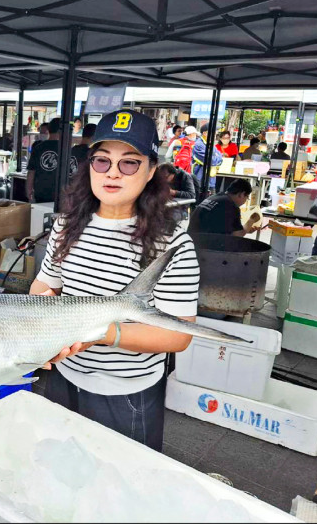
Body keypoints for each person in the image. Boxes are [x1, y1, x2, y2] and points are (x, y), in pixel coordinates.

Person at [29, 109, 197, 451]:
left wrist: (103, 333)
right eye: (102, 161)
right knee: (60, 476)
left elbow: (179, 334)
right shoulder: (67, 224)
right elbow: (45, 284)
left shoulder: (172, 241)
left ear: (152, 170)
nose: (113, 173)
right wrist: (42, 302)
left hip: (125, 392)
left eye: (129, 163)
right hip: (63, 377)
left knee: (119, 491)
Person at [188, 179, 263, 237]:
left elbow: (226, 228)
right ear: (241, 194)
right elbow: (237, 236)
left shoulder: (216, 197)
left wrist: (246, 229)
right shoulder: (231, 205)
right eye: (247, 197)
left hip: (191, 239)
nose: (245, 201)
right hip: (203, 245)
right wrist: (252, 220)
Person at [27, 117, 61, 204]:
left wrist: (29, 191)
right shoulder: (65, 149)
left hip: (40, 192)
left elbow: (31, 172)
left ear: (48, 130)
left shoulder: (38, 147)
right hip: (60, 194)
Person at [192, 124, 222, 193]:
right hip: (201, 181)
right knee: (200, 202)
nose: (215, 135)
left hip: (211, 180)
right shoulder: (199, 145)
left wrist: (216, 158)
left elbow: (220, 158)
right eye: (213, 133)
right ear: (204, 133)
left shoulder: (211, 144)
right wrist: (216, 158)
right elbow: (210, 161)